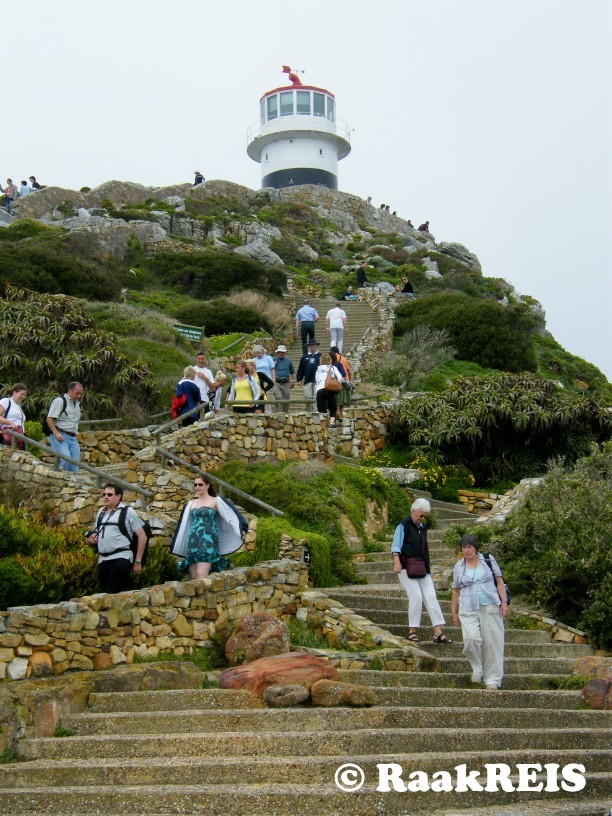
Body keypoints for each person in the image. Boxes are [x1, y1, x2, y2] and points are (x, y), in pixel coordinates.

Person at [392, 498, 452, 644]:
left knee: (431, 596)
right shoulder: (403, 525)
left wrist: (427, 568)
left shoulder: (422, 527)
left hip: (422, 567)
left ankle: (438, 632)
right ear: (414, 511)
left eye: (425, 516)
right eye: (421, 515)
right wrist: (397, 562)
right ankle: (412, 631)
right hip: (406, 567)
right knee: (416, 597)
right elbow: (396, 545)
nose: (423, 518)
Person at [451, 534, 508, 690]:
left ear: (475, 548)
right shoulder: (459, 566)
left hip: (490, 605)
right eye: (464, 547)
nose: (466, 550)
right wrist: (454, 612)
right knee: (471, 638)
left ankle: (493, 680)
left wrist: (504, 603)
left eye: (469, 547)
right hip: (467, 607)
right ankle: (477, 667)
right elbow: (455, 590)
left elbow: (499, 581)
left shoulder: (488, 560)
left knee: (492, 643)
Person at [171, 473, 242, 579]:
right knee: (194, 576)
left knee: (201, 574)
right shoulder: (191, 503)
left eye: (200, 484)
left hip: (207, 540)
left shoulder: (216, 501)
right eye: (195, 485)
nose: (197, 487)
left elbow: (230, 516)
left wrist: (240, 529)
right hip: (193, 541)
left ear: (207, 485)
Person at [86, 484, 147, 594]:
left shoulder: (127, 511)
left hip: (121, 557)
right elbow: (95, 536)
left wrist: (138, 562)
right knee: (107, 592)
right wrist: (89, 541)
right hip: (103, 560)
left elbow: (142, 536)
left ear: (119, 496)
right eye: (104, 494)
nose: (106, 497)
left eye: (109, 494)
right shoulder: (101, 512)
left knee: (111, 591)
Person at [46, 382, 84, 472]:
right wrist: (56, 433)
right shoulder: (60, 401)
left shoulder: (78, 404)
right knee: (65, 458)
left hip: (73, 437)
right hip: (61, 434)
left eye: (80, 394)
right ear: (70, 390)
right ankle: (59, 477)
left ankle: (72, 480)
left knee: (75, 464)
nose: (79, 396)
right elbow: (49, 419)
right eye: (77, 393)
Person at [315, 352, 343, 427]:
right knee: (333, 409)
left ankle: (323, 425)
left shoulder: (318, 369)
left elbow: (317, 381)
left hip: (320, 390)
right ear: (329, 360)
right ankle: (331, 423)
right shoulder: (333, 368)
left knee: (321, 410)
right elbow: (340, 378)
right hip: (330, 390)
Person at [296, 339, 321, 412]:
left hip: (318, 381)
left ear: (316, 346)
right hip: (307, 380)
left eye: (313, 345)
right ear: (308, 346)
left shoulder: (320, 356)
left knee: (316, 397)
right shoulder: (304, 357)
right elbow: (301, 368)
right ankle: (308, 413)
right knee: (307, 397)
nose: (312, 347)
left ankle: (316, 412)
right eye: (310, 345)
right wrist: (299, 379)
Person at [0, 383, 27, 449]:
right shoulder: (6, 401)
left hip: (19, 438)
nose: (24, 397)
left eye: (25, 395)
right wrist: (10, 422)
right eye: (22, 394)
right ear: (14, 392)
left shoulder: (18, 405)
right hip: (7, 437)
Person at [272, 344, 295, 412]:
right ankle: (278, 413)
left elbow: (293, 371)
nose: (281, 353)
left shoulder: (288, 360)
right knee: (278, 397)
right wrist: (273, 365)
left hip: (286, 382)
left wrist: (293, 380)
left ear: (285, 352)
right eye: (280, 352)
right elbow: (269, 370)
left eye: (283, 352)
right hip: (276, 382)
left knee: (286, 398)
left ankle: (285, 413)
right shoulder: (273, 360)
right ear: (277, 352)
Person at [330, 347, 352, 416]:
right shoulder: (343, 360)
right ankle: (340, 412)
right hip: (341, 383)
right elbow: (346, 373)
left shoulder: (329, 364)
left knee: (335, 399)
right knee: (341, 399)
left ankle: (336, 412)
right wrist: (349, 380)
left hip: (332, 384)